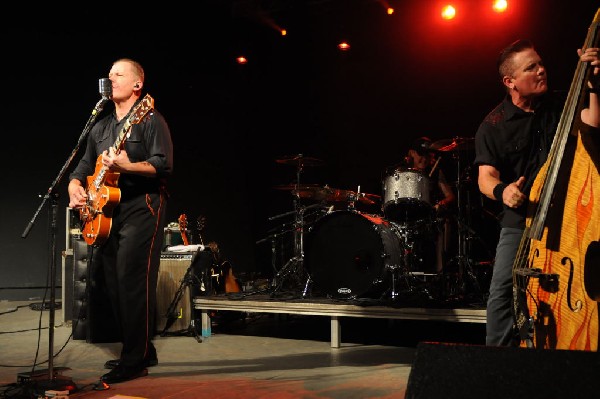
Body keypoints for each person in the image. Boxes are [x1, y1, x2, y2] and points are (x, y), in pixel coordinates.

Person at [474, 39, 599, 346]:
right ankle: (497, 364)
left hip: (571, 217)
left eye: (541, 63)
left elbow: (594, 122)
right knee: (502, 290)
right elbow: (485, 178)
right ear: (510, 81)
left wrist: (594, 83)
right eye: (531, 67)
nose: (542, 70)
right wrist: (503, 192)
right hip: (523, 219)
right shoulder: (493, 125)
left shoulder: (560, 105)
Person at [68, 58, 174, 383]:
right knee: (113, 282)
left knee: (132, 278)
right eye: (109, 73)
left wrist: (128, 167)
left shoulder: (149, 119)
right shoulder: (100, 127)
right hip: (107, 213)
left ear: (137, 85)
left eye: (119, 74)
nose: (110, 78)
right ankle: (141, 348)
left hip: (143, 206)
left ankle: (134, 361)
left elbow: (163, 165)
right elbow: (82, 169)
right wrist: (75, 189)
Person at [403, 137, 457, 274]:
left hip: (428, 218)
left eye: (427, 155)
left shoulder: (435, 172)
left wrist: (441, 204)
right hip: (407, 216)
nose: (424, 159)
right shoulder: (403, 173)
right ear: (412, 153)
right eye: (421, 154)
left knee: (445, 222)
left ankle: (440, 273)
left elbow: (450, 196)